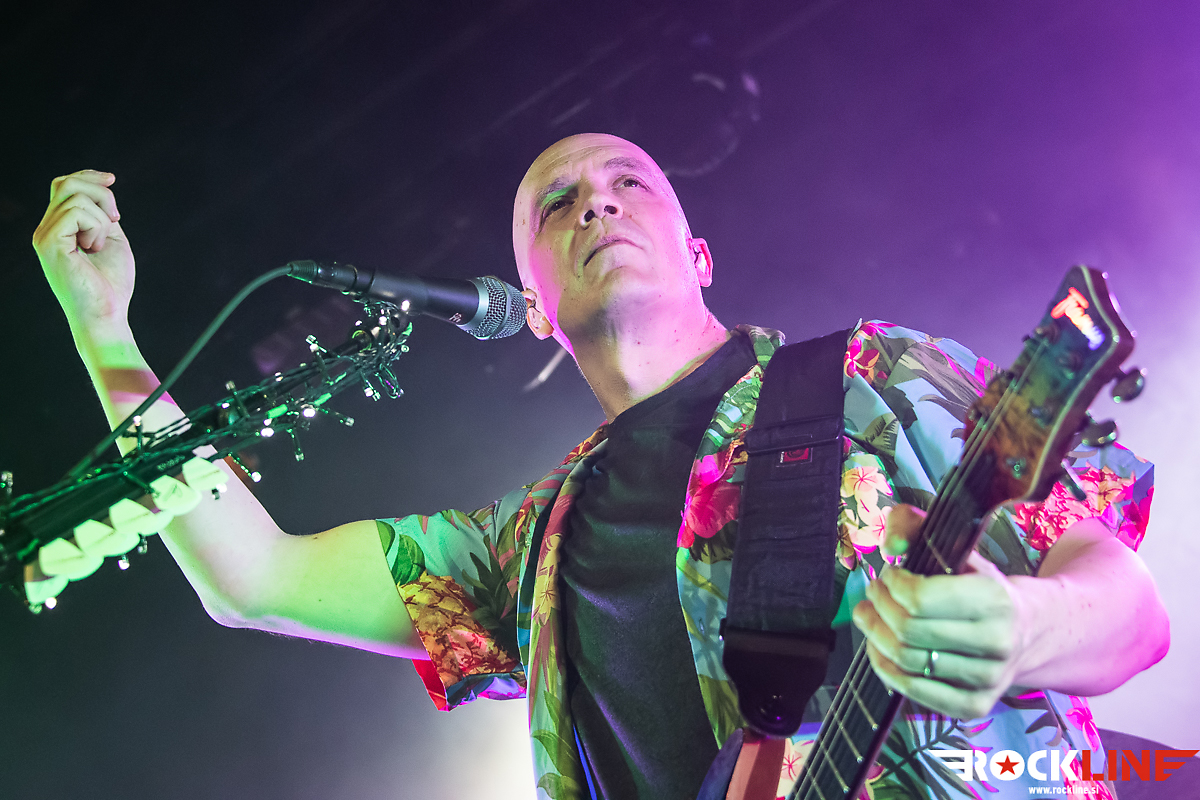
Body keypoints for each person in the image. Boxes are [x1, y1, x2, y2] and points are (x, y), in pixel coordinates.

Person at [31, 133, 1167, 800]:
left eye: (630, 184)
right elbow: (256, 577)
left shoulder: (877, 373)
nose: (597, 204)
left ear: (698, 251)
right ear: (533, 305)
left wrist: (1027, 625)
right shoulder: (525, 549)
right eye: (558, 204)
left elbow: (1129, 609)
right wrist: (105, 331)